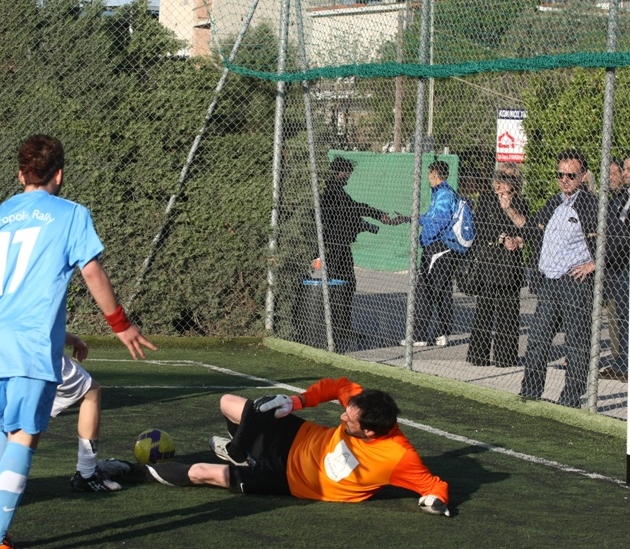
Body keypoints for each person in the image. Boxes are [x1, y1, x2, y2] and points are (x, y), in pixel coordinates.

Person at [0, 135, 157, 549]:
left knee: (4, 434)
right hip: (30, 343)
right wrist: (121, 325)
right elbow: (92, 273)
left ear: (20, 173)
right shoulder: (70, 214)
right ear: (58, 174)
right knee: (25, 435)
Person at [0, 209, 123, 498]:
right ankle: (86, 472)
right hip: (34, 359)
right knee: (90, 393)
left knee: (12, 426)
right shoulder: (8, 282)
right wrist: (70, 337)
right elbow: (29, 327)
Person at [102, 377, 450, 516]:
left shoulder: (399, 457)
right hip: (296, 435)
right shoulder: (360, 402)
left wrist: (437, 499)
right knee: (231, 402)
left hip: (286, 481)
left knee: (203, 472)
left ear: (371, 434)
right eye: (347, 411)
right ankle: (242, 449)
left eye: (350, 421)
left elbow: (434, 485)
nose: (343, 418)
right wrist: (296, 403)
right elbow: (337, 385)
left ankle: (129, 471)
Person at [518, 149, 598, 408]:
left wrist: (593, 263)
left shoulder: (590, 204)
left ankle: (571, 398)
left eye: (571, 175)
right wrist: (518, 237)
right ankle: (530, 392)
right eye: (561, 174)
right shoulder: (555, 202)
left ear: (582, 176)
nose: (565, 180)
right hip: (550, 284)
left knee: (576, 344)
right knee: (538, 340)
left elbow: (619, 238)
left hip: (575, 284)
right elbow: (533, 225)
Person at [319, 156, 409, 349]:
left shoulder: (338, 191)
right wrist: (376, 215)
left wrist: (372, 219)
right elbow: (353, 209)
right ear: (339, 172)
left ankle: (343, 326)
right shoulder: (332, 191)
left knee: (348, 283)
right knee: (339, 285)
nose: (349, 176)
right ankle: (336, 327)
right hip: (335, 246)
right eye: (347, 173)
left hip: (341, 245)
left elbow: (353, 210)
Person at [465, 164, 528, 367]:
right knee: (484, 311)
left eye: (508, 179)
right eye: (500, 178)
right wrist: (501, 238)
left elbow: (526, 228)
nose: (502, 183)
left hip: (510, 265)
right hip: (490, 262)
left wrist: (517, 239)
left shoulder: (521, 203)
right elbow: (480, 228)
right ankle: (478, 355)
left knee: (508, 313)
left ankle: (505, 357)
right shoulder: (485, 199)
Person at [403, 160, 458, 348]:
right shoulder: (442, 193)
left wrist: (425, 238)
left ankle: (419, 335)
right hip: (441, 248)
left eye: (429, 174)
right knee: (441, 291)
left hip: (438, 248)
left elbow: (440, 220)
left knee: (424, 289)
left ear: (435, 173)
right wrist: (414, 219)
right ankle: (442, 333)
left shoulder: (444, 193)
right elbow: (431, 217)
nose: (428, 178)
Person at [601, 156, 630, 383]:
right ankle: (619, 362)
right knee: (617, 315)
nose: (612, 178)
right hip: (614, 268)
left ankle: (626, 365)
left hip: (628, 265)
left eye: (616, 173)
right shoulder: (616, 199)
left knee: (627, 315)